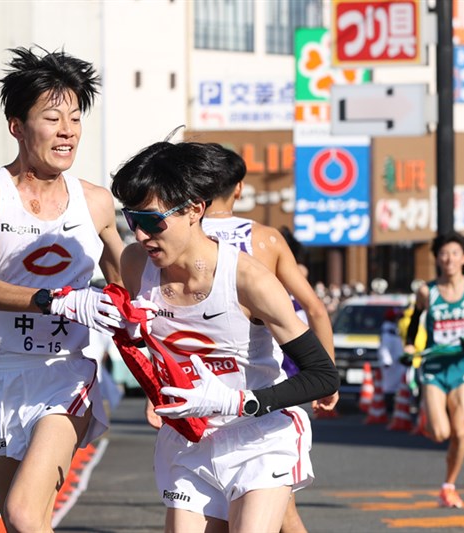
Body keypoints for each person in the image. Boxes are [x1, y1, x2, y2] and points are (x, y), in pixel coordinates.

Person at [111, 140, 338, 532]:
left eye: (151, 220)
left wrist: (238, 402)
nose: (141, 235)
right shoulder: (134, 264)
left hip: (258, 435)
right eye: (132, 220)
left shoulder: (247, 278)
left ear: (194, 209)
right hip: (190, 438)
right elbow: (143, 339)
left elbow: (323, 375)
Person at [0, 46, 130, 532]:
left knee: (22, 512)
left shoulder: (94, 203)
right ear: (17, 125)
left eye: (75, 118)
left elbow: (127, 286)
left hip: (63, 376)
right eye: (52, 118)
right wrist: (57, 299)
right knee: (22, 523)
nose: (68, 130)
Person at [198, 144, 336, 533]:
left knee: (265, 511)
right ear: (238, 188)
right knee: (274, 512)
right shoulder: (265, 239)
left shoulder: (182, 238)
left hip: (204, 390)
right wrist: (327, 374)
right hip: (269, 387)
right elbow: (315, 307)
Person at [403, 231, 464, 509]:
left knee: (460, 433)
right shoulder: (427, 291)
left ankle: (449, 486)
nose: (449, 259)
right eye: (444, 254)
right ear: (437, 258)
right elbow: (413, 324)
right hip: (434, 367)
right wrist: (411, 346)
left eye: (454, 253)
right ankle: (429, 415)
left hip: (463, 368)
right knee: (441, 433)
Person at [378, 307, 406, 413]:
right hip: (391, 366)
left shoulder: (394, 331)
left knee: (397, 386)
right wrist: (386, 361)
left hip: (397, 364)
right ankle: (388, 408)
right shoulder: (387, 333)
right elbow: (384, 349)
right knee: (389, 386)